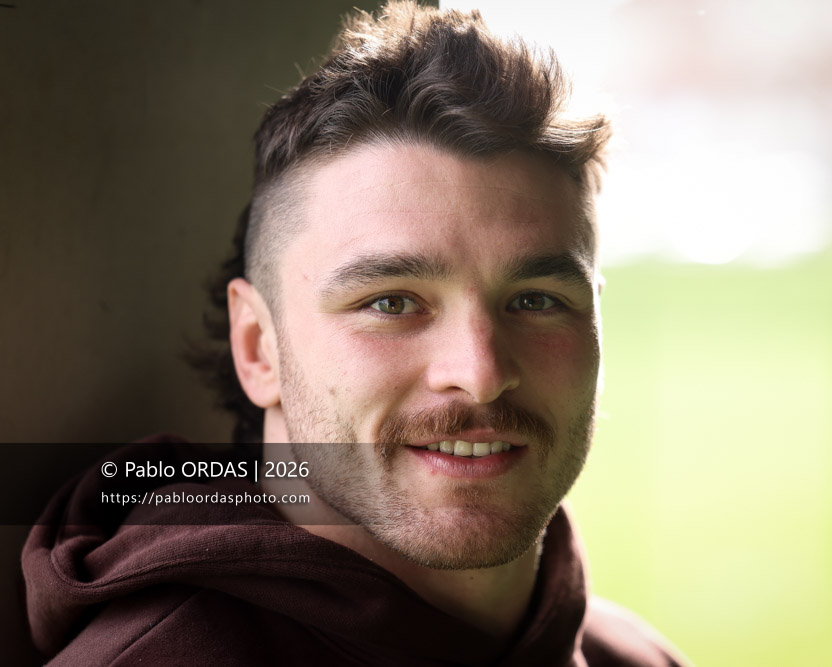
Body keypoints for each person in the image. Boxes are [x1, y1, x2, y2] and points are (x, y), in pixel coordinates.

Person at [22, 3, 691, 665]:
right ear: (258, 346)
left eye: (537, 299)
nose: (480, 370)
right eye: (393, 301)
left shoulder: (639, 655)